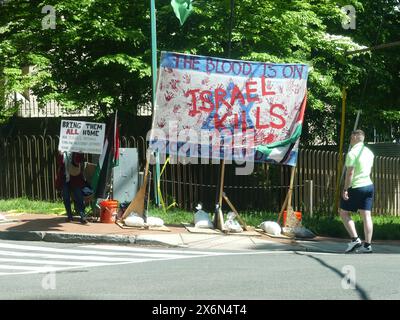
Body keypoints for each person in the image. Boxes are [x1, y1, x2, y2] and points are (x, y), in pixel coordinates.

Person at [339, 130, 374, 253]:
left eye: (351, 136)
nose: (350, 139)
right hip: (369, 185)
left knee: (343, 212)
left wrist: (345, 189)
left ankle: (355, 239)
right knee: (366, 215)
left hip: (356, 186)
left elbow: (350, 173)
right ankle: (367, 245)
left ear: (354, 137)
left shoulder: (352, 153)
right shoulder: (369, 153)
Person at [55, 151, 88, 224]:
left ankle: (82, 215)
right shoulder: (62, 148)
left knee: (79, 196)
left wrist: (78, 152)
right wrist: (60, 154)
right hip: (64, 178)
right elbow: (59, 163)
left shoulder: (76, 148)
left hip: (75, 178)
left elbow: (79, 160)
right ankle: (69, 216)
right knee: (66, 197)